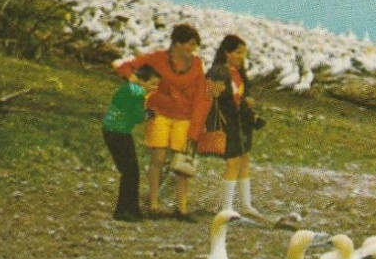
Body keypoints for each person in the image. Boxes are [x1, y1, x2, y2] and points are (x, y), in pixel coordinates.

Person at [114, 22, 214, 220]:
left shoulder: (197, 65)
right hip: (160, 113)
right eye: (189, 44)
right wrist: (138, 82)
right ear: (177, 43)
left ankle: (182, 207)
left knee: (182, 163)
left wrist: (196, 128)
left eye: (195, 45)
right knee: (158, 159)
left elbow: (201, 96)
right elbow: (125, 67)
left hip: (183, 118)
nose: (192, 49)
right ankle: (153, 203)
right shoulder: (157, 59)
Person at [205, 33, 266, 218]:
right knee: (232, 162)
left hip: (241, 121)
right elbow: (208, 94)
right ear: (227, 52)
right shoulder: (218, 71)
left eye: (243, 53)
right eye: (238, 53)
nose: (241, 57)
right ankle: (226, 208)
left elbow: (241, 94)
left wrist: (249, 103)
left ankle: (246, 205)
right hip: (227, 120)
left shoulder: (239, 73)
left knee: (244, 159)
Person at [102, 64, 159, 222]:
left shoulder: (130, 89)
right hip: (118, 133)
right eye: (152, 84)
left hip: (115, 131)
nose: (154, 88)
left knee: (131, 171)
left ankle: (132, 208)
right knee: (130, 172)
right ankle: (123, 210)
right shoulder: (137, 93)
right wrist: (148, 114)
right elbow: (136, 117)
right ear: (142, 81)